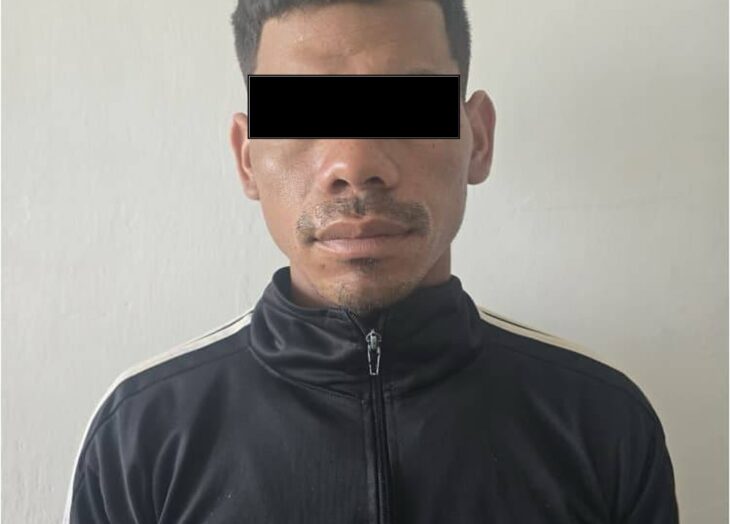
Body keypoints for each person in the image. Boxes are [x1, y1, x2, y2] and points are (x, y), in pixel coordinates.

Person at [62, 1, 680, 522]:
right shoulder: (141, 432)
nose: (355, 164)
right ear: (247, 159)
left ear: (479, 140)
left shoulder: (603, 423)